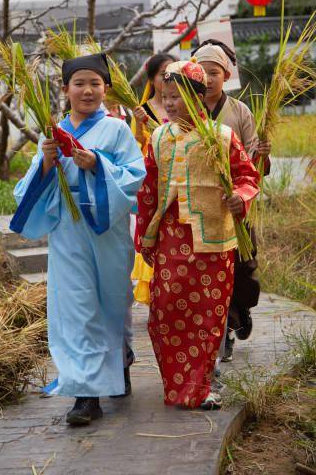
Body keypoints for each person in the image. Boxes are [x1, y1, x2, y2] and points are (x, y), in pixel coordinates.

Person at [10, 53, 146, 426]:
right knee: (76, 306)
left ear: (106, 88)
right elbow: (28, 188)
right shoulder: (51, 131)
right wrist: (47, 163)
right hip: (69, 229)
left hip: (107, 227)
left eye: (95, 83)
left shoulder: (118, 129)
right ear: (65, 88)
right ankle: (86, 396)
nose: (88, 90)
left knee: (112, 302)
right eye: (79, 83)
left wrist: (97, 165)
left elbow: (136, 176)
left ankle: (119, 364)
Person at [135, 60, 259, 409]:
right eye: (165, 96)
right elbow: (147, 192)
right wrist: (144, 238)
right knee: (165, 314)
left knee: (207, 317)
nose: (170, 103)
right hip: (171, 240)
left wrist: (241, 198)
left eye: (176, 96)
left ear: (197, 97)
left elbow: (247, 177)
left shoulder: (221, 136)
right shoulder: (159, 137)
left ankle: (199, 388)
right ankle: (177, 386)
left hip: (213, 242)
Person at [192, 40, 271, 361]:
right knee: (208, 275)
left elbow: (256, 168)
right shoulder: (187, 110)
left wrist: (263, 154)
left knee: (242, 268)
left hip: (236, 206)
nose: (208, 79)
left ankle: (240, 310)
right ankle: (222, 330)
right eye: (202, 73)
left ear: (227, 75)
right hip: (201, 207)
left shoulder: (240, 112)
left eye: (215, 72)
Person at [131, 53, 176, 304]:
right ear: (151, 79)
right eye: (163, 75)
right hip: (154, 182)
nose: (168, 79)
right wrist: (139, 125)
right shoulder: (142, 111)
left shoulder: (184, 106)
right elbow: (135, 146)